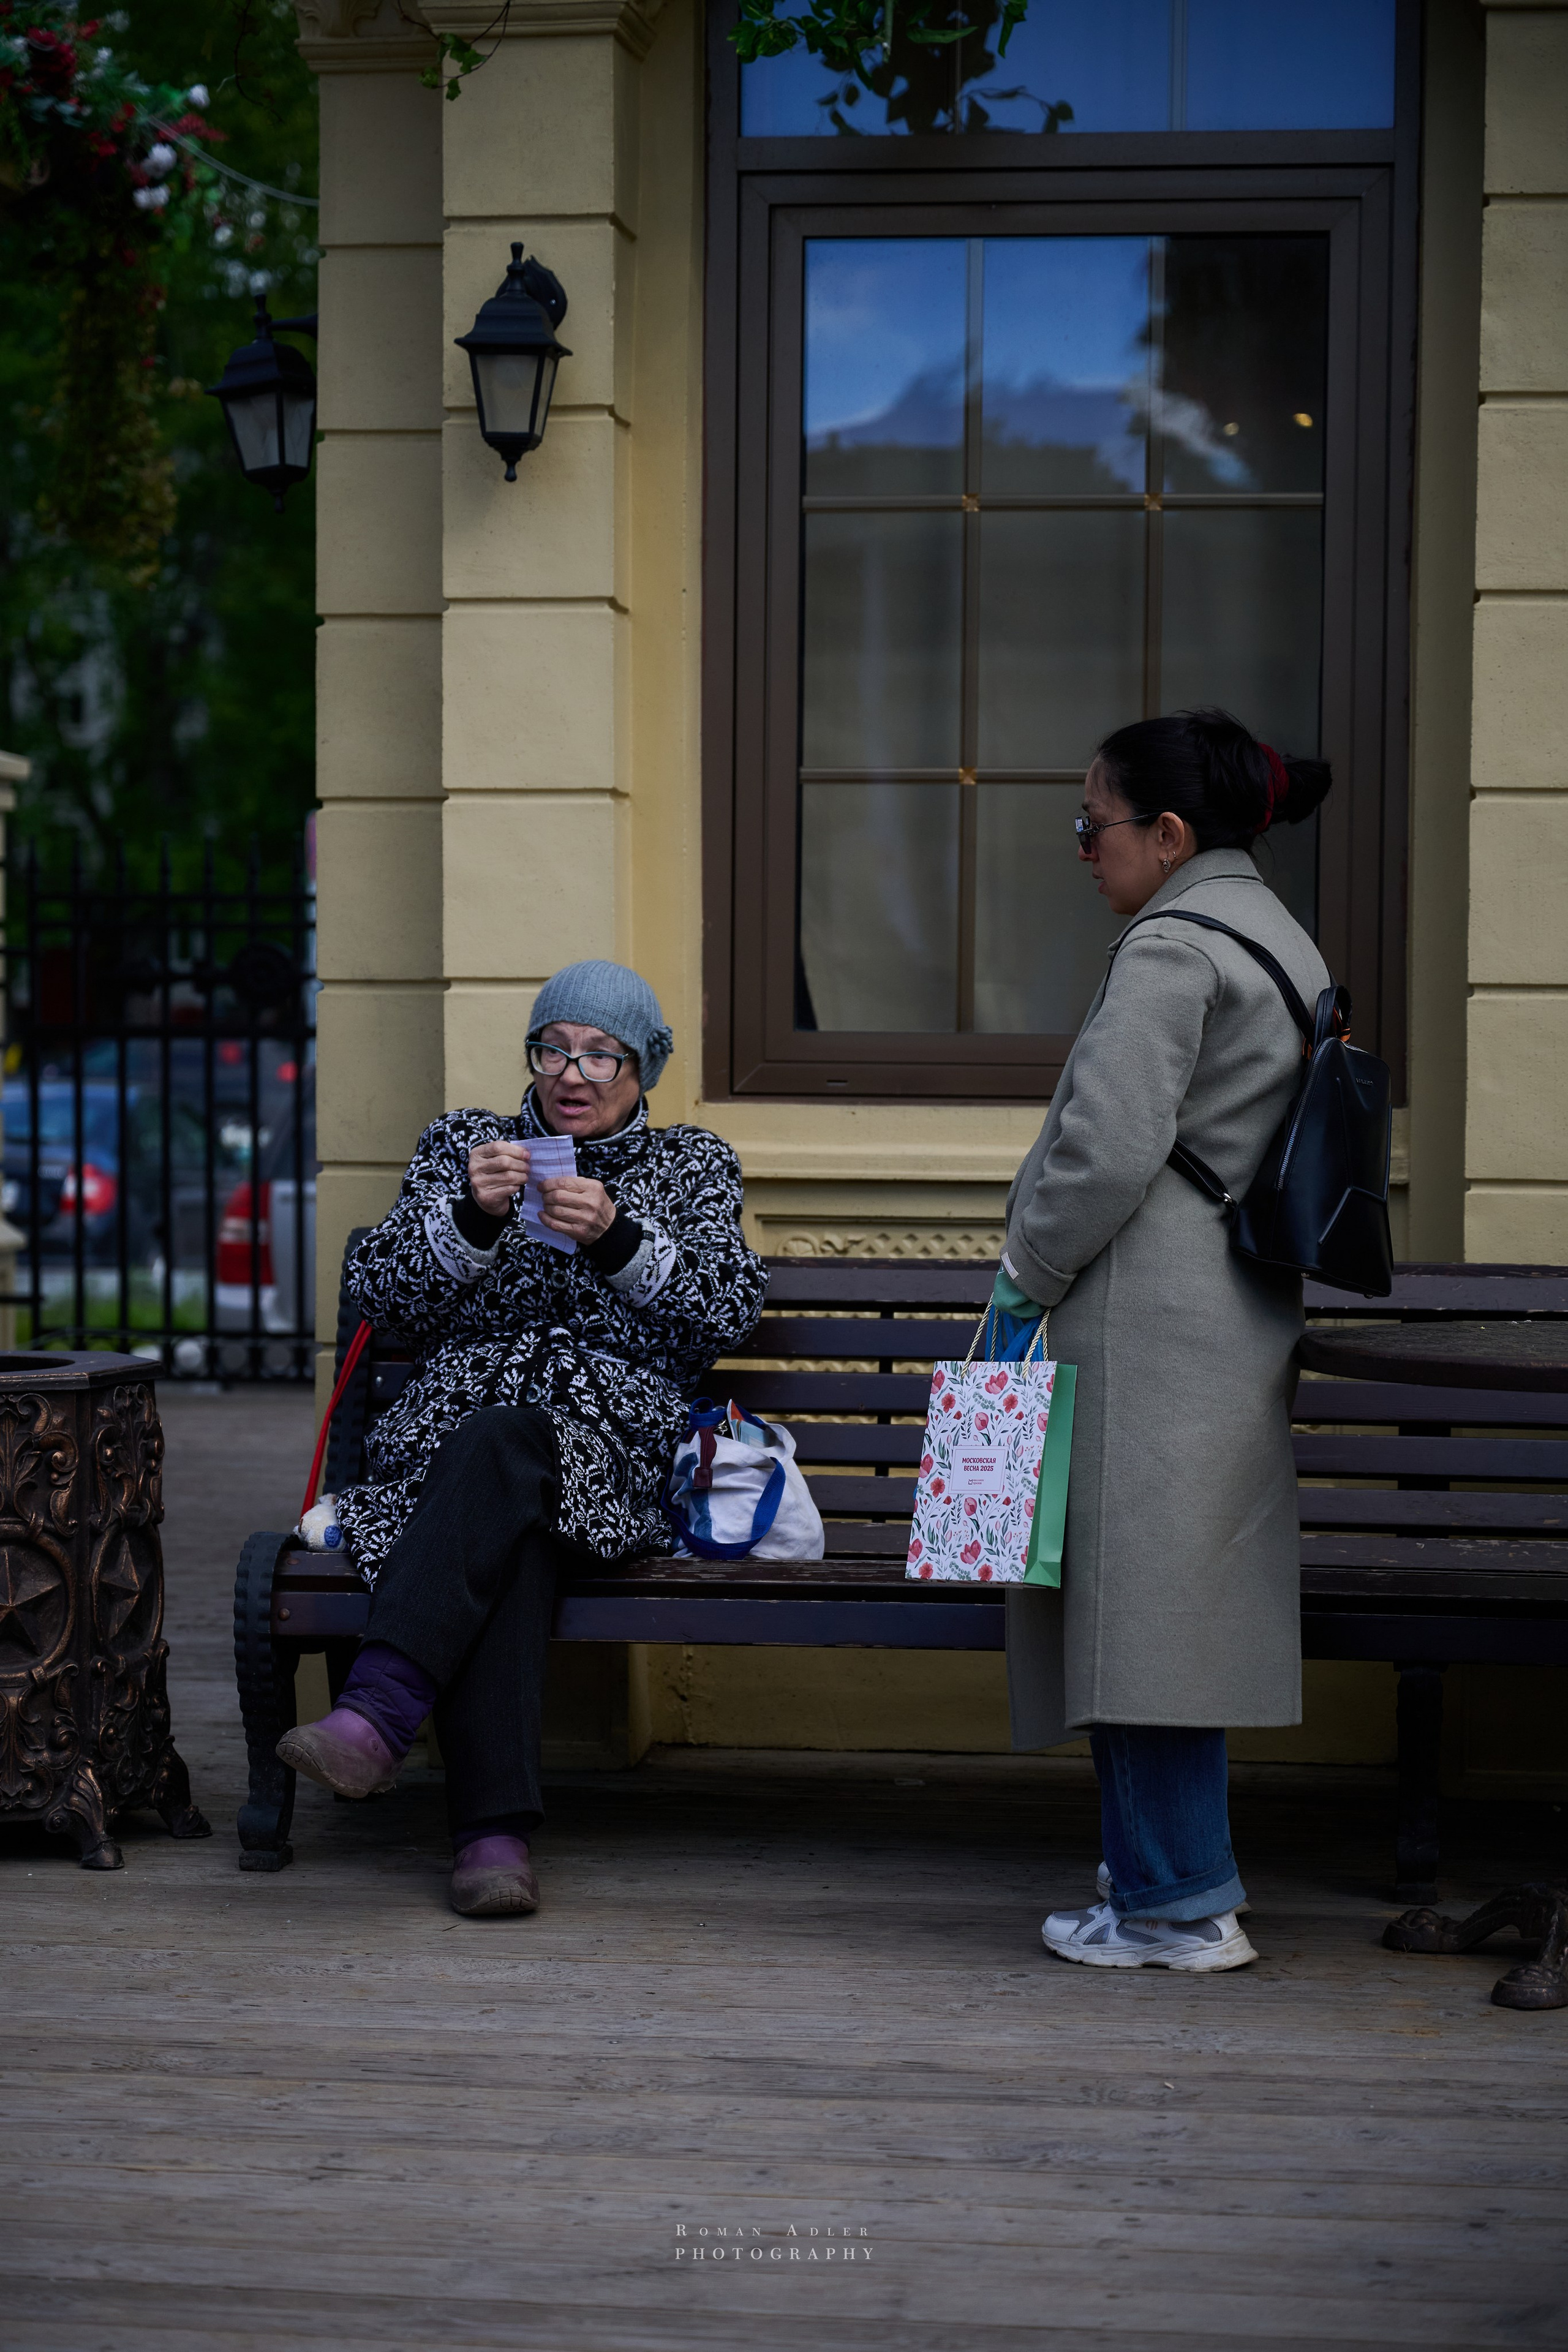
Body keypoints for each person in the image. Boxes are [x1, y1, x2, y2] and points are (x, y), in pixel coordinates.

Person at [277, 960, 767, 1917]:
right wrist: (469, 1218)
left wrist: (619, 1238)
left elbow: (728, 1309)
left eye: (600, 1055)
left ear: (643, 1068)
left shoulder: (690, 1164)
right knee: (508, 1511)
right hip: (450, 1442)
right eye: (554, 1049)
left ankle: (381, 1713)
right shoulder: (466, 1146)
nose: (571, 1075)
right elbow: (380, 1295)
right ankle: (490, 1843)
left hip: (606, 1447)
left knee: (508, 1456)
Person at [999, 707, 1332, 1973]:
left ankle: (1176, 1909)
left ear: (1171, 833)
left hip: (1142, 1317)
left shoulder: (1171, 949)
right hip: (1223, 1312)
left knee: (1130, 1622)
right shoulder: (1276, 935)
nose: (1085, 848)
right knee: (1167, 1617)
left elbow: (1102, 1153)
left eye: (1095, 825)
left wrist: (1025, 1276)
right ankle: (1163, 1881)